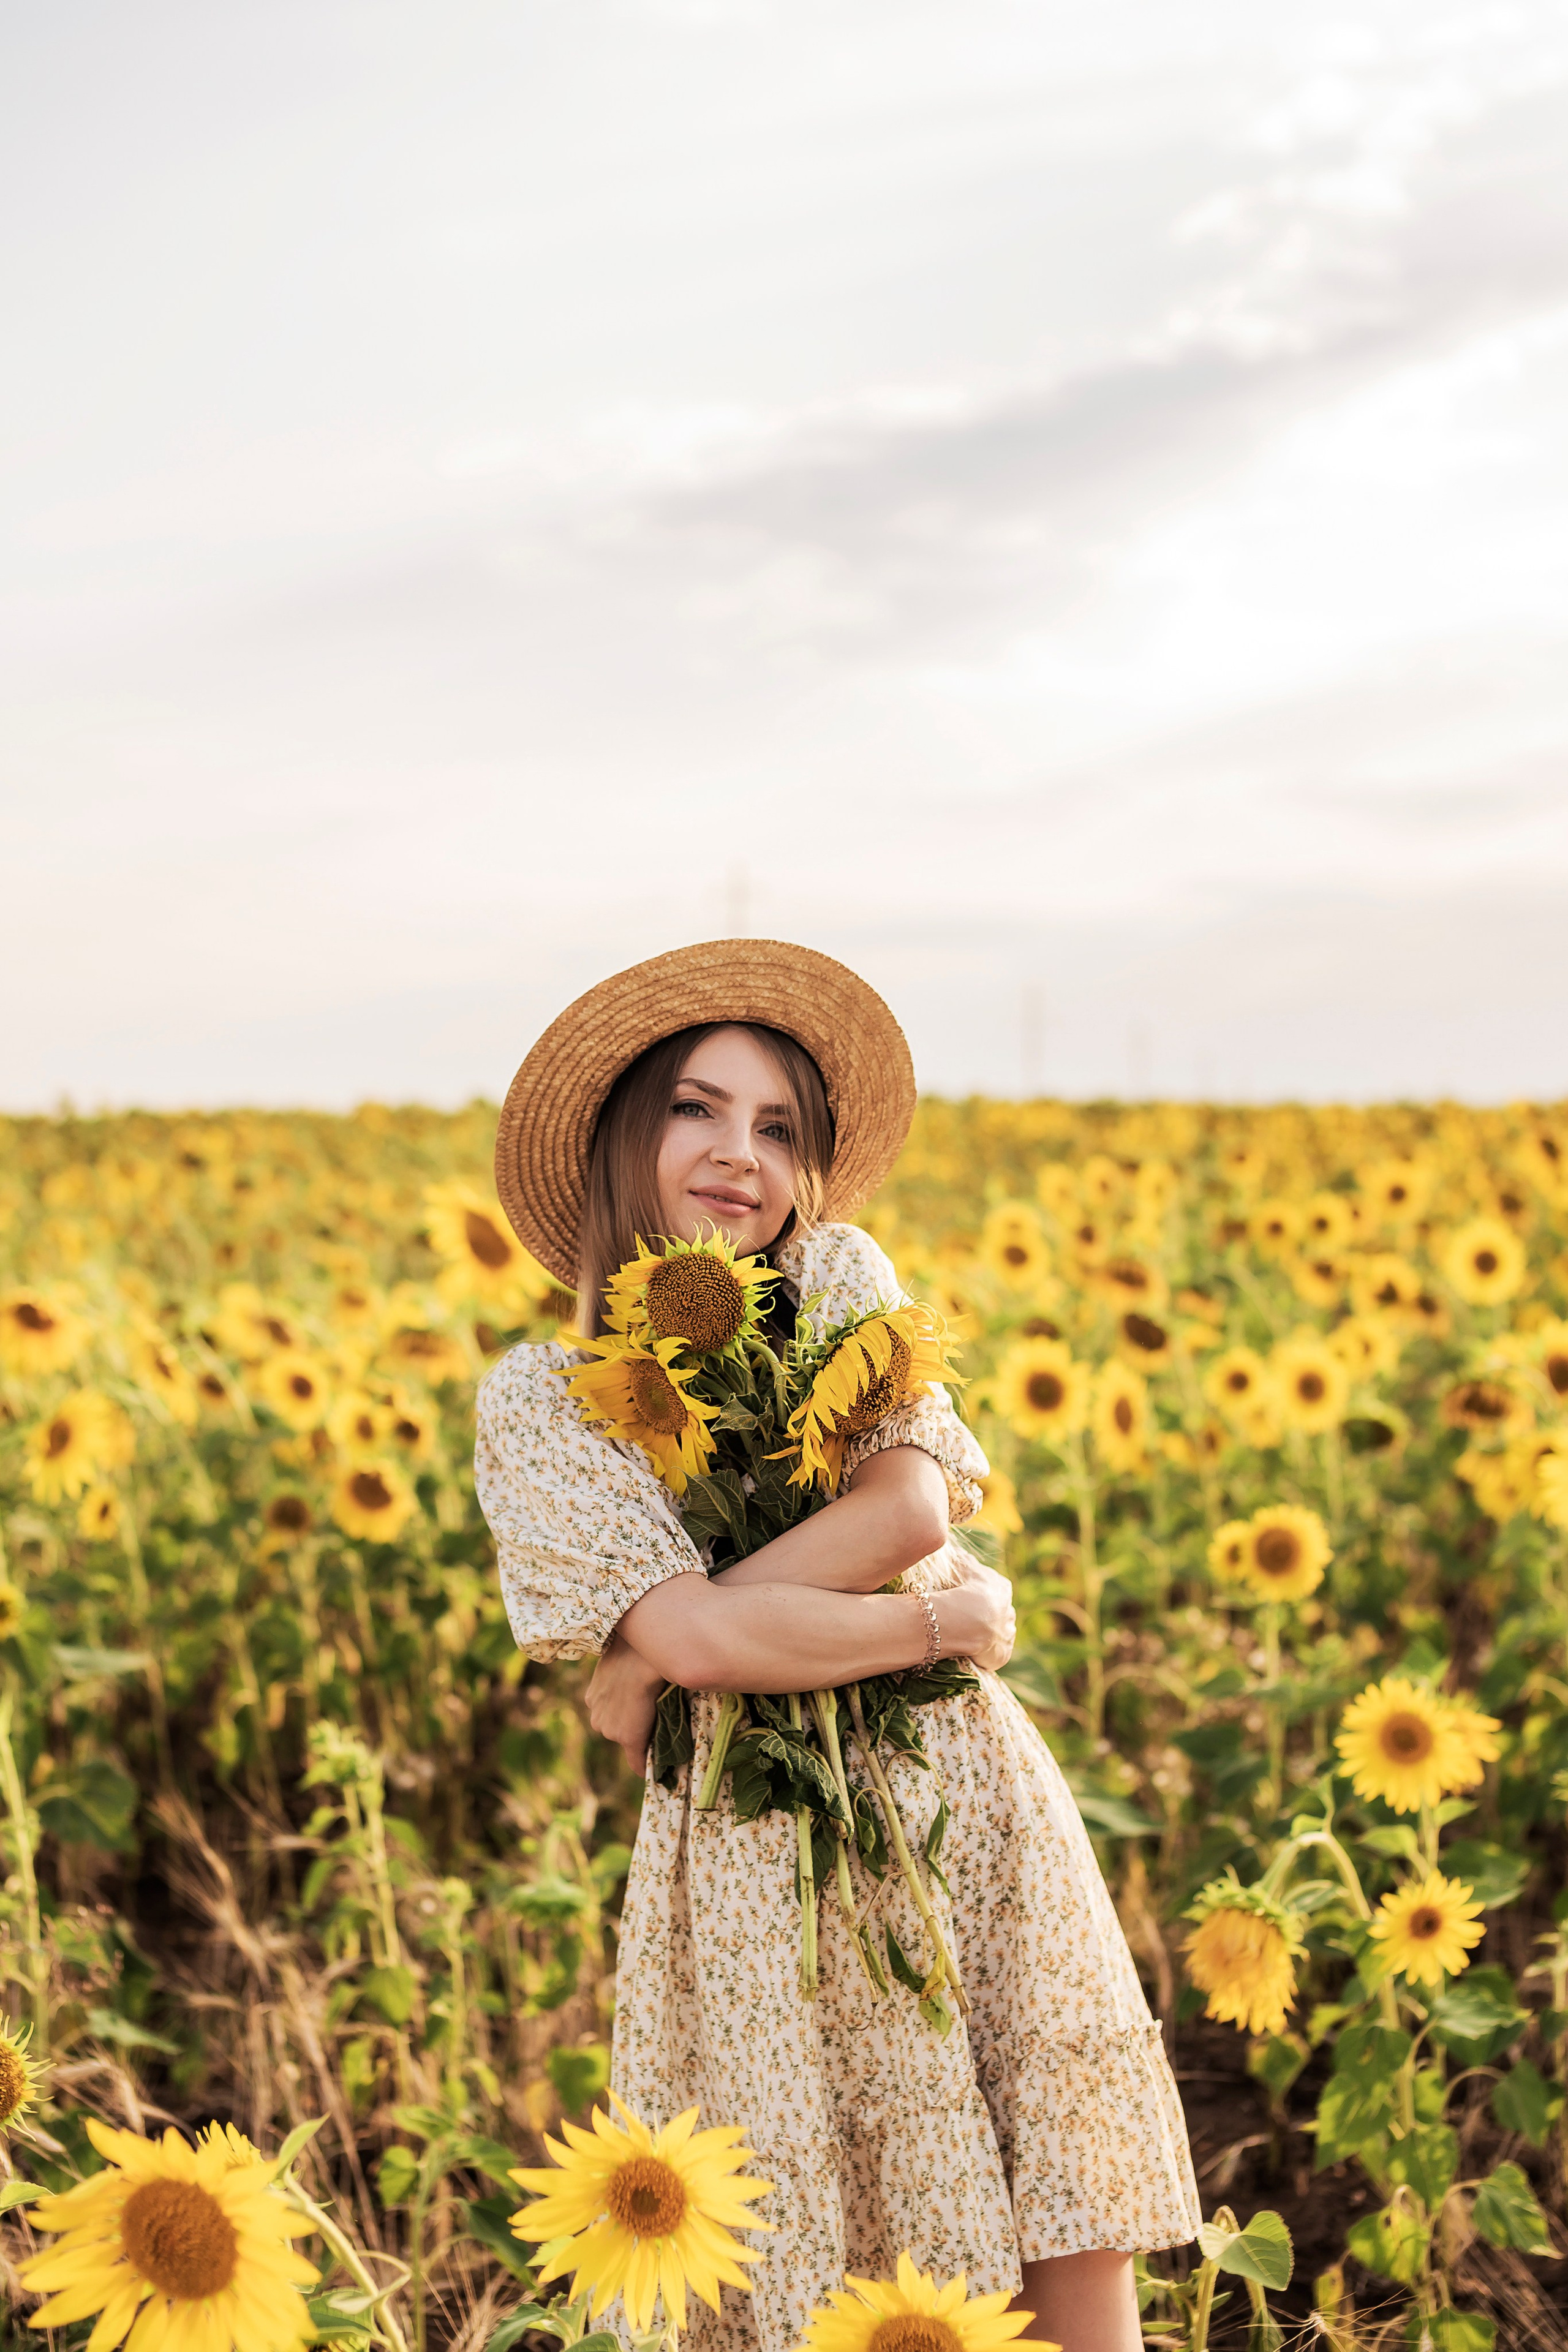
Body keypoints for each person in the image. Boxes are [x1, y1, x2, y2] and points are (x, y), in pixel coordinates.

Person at [476, 940, 1200, 2352]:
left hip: (951, 1794)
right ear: (621, 1138)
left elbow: (902, 1511)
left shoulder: (833, 1278)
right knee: (815, 2235)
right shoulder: (547, 1401)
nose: (736, 1154)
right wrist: (931, 1620)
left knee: (1056, 2205)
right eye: (695, 1110)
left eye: (776, 1127)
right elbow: (702, 1639)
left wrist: (656, 1652)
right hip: (751, 1863)